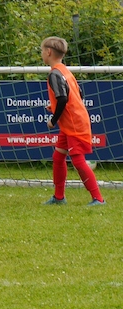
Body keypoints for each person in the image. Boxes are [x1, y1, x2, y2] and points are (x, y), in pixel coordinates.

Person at [40, 37, 105, 206]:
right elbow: (77, 94)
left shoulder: (55, 74)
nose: (42, 54)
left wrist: (53, 119)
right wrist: (55, 106)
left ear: (48, 52)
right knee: (58, 157)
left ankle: (98, 199)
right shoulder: (64, 71)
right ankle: (59, 197)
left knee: (78, 161)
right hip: (71, 123)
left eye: (42, 51)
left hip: (74, 125)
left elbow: (62, 98)